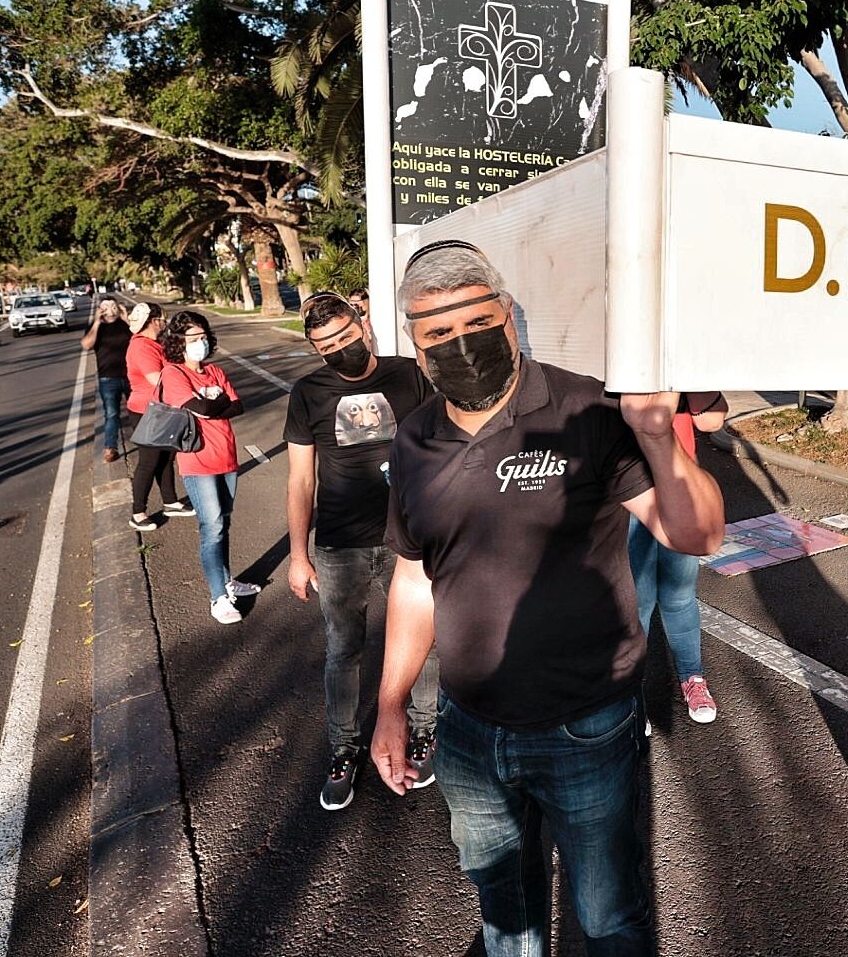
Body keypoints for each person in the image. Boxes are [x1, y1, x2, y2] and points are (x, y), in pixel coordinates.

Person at [371, 242, 725, 956]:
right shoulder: (413, 439)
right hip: (467, 731)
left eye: (474, 321)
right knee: (506, 912)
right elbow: (415, 579)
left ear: (508, 317)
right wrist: (389, 703)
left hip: (585, 727)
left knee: (608, 917)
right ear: (414, 344)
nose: (458, 344)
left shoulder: (585, 408)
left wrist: (657, 435)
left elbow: (699, 535)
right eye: (435, 333)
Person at [284, 291, 440, 811]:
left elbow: (441, 445)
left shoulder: (407, 375)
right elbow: (300, 477)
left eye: (345, 336)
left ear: (363, 325)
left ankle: (424, 733)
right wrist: (298, 555)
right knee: (343, 650)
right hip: (340, 544)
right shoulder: (308, 393)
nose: (339, 349)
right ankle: (344, 750)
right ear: (314, 348)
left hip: (410, 537)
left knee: (426, 644)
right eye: (326, 345)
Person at [629, 391, 729, 728]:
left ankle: (693, 678)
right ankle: (631, 695)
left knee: (679, 594)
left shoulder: (678, 365)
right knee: (637, 601)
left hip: (681, 488)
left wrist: (687, 375)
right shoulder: (617, 360)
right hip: (627, 490)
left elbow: (712, 420)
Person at [156, 310, 260, 625]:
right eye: (192, 338)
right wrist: (216, 405)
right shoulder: (174, 374)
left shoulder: (214, 370)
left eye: (203, 336)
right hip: (196, 460)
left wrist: (211, 407)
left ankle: (227, 581)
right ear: (178, 342)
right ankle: (218, 597)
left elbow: (238, 405)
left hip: (226, 457)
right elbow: (199, 407)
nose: (200, 343)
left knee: (223, 523)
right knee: (211, 527)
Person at [125, 302, 195, 531]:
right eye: (162, 320)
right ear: (153, 321)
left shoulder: (154, 343)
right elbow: (156, 378)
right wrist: (186, 388)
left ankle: (170, 500)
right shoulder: (141, 347)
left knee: (166, 458)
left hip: (162, 409)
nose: (164, 324)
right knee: (149, 462)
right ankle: (138, 512)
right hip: (148, 411)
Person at [81, 297, 133, 463]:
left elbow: (139, 337)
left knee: (137, 411)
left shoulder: (125, 324)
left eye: (113, 305)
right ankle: (111, 448)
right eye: (105, 306)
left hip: (131, 375)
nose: (109, 309)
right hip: (108, 378)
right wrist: (96, 321)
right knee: (111, 414)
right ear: (100, 309)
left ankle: (148, 442)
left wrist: (126, 317)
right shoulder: (96, 327)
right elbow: (87, 345)